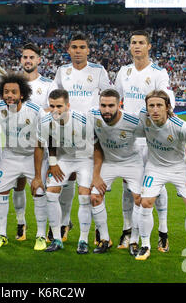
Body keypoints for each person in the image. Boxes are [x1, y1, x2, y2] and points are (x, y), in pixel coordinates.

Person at [113, 30, 175, 252]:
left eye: (141, 43)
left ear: (149, 46)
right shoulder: (124, 72)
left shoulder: (159, 73)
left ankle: (163, 232)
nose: (137, 46)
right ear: (129, 47)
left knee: (155, 186)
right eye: (133, 43)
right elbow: (114, 99)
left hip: (152, 138)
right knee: (128, 187)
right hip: (129, 138)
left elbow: (169, 103)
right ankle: (127, 230)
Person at [49, 33, 113, 242]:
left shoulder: (98, 71)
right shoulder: (62, 71)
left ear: (88, 50)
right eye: (74, 47)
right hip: (66, 133)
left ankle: (96, 229)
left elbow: (108, 96)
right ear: (69, 50)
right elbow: (52, 97)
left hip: (92, 134)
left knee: (93, 184)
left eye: (82, 47)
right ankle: (64, 223)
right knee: (67, 180)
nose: (78, 51)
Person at [136, 90, 186, 263]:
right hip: (155, 167)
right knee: (145, 202)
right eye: (151, 105)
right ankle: (145, 245)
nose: (155, 109)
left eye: (159, 105)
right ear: (147, 108)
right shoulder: (143, 117)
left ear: (167, 107)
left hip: (180, 168)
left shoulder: (180, 126)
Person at [0, 72, 48, 251]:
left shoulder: (35, 111)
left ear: (22, 94)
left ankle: (41, 236)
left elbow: (40, 145)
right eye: (6, 92)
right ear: (1, 94)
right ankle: (2, 235)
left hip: (33, 157)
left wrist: (38, 175)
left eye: (14, 92)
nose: (10, 96)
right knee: (0, 192)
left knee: (38, 192)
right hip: (10, 157)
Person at [32, 89, 94, 253]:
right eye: (51, 106)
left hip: (84, 159)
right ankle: (57, 239)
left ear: (68, 105)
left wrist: (97, 173)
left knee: (84, 196)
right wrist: (52, 163)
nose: (55, 110)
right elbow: (42, 144)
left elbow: (96, 148)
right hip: (64, 159)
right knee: (51, 193)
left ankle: (83, 240)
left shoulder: (82, 121)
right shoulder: (45, 120)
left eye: (59, 106)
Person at [90, 89, 144, 255]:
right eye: (103, 105)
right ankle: (105, 239)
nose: (106, 110)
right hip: (109, 162)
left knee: (139, 199)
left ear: (119, 105)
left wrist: (179, 146)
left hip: (132, 163)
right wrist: (96, 175)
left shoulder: (132, 121)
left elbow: (155, 132)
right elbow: (96, 145)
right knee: (94, 196)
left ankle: (134, 241)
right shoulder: (93, 116)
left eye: (111, 105)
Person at [9, 43, 53, 241]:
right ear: (21, 60)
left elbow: (53, 113)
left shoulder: (49, 85)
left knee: (39, 188)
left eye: (31, 57)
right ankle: (21, 223)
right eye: (25, 57)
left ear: (39, 60)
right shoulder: (12, 84)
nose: (28, 60)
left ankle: (42, 232)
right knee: (18, 186)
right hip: (15, 144)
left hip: (38, 146)